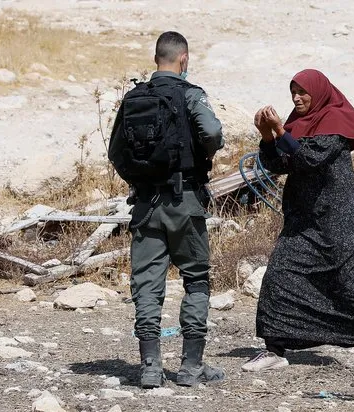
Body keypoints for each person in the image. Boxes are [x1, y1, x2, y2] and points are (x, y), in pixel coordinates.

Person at [241, 69, 354, 372]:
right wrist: (267, 136)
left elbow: (309, 160)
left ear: (319, 92)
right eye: (293, 93)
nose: (297, 98)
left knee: (348, 281)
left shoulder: (335, 123)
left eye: (303, 92)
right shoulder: (298, 123)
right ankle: (274, 349)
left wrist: (282, 133)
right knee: (279, 275)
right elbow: (279, 164)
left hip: (336, 220)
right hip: (303, 221)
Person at [110, 31, 225, 388]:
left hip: (144, 205)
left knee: (146, 285)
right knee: (196, 280)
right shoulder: (191, 94)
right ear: (184, 60)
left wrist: (141, 179)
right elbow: (213, 132)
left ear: (157, 58)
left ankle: (149, 368)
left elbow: (115, 152)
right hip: (184, 201)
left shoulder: (134, 98)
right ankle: (190, 368)